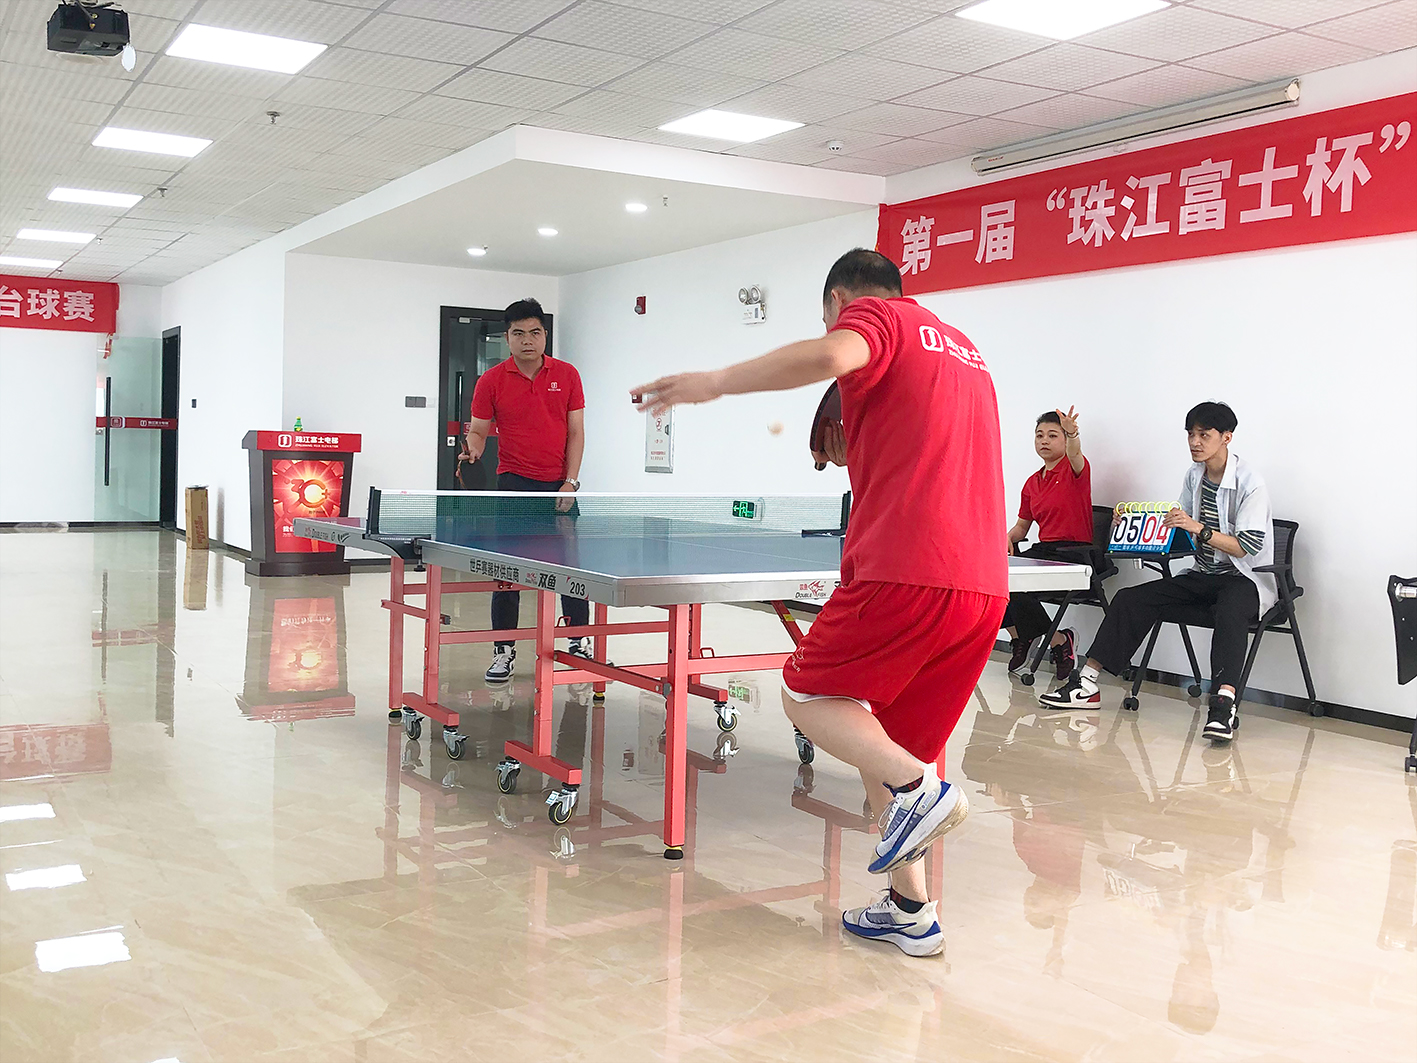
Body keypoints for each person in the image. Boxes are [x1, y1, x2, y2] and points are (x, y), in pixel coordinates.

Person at [632, 249, 1007, 958]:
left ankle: (920, 790)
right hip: (981, 585)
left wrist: (714, 382)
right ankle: (911, 910)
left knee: (806, 692)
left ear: (839, 300)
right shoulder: (964, 349)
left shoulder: (875, 318)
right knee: (886, 743)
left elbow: (835, 353)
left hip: (906, 567)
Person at [1040, 401, 1275, 742]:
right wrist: (1133, 521)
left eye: (1204, 435)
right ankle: (1086, 684)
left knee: (1231, 608)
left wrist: (1199, 528)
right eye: (1191, 434)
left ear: (1226, 437)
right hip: (1202, 575)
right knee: (1131, 599)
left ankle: (1223, 705)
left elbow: (1246, 546)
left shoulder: (1250, 482)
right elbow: (1178, 526)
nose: (1195, 442)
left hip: (1245, 579)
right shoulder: (1194, 475)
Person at [464, 298, 589, 682]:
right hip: (514, 483)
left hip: (559, 485)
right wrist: (473, 449)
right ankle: (503, 651)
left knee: (572, 571)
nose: (527, 340)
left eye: (534, 332)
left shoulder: (567, 375)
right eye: (518, 333)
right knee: (508, 573)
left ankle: (578, 640)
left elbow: (576, 432)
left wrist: (570, 482)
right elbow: (479, 430)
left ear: (544, 335)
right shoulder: (491, 381)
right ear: (507, 338)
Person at [1003, 407, 1092, 679]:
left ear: (1064, 440)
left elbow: (1076, 453)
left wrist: (1073, 434)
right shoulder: (1032, 482)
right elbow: (1022, 527)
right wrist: (1006, 538)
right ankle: (1020, 637)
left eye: (1053, 435)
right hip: (1045, 553)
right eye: (1039, 435)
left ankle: (1060, 641)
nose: (1044, 440)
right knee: (995, 577)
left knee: (1019, 583)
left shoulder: (1074, 469)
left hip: (1074, 554)